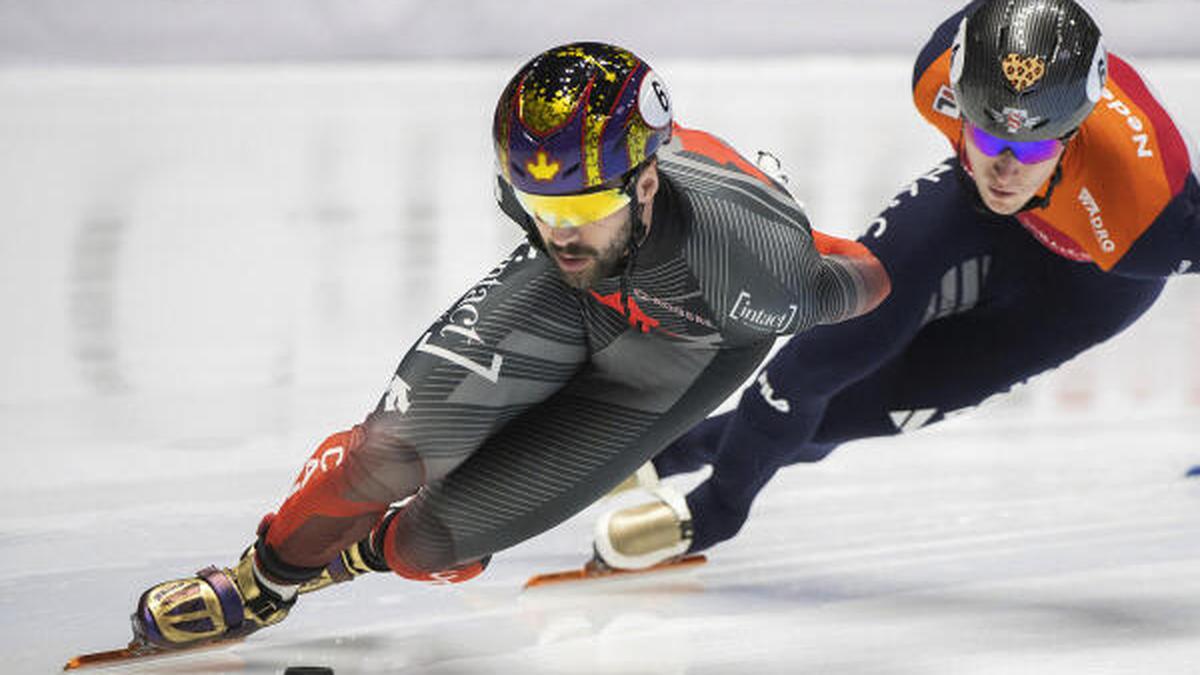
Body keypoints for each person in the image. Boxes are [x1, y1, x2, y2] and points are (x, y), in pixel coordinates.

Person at [130, 42, 890, 650]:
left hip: (678, 357)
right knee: (386, 453)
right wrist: (577, 219)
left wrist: (793, 235)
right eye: (540, 206)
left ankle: (355, 559)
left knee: (425, 545)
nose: (560, 231)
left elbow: (868, 278)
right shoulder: (549, 214)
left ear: (647, 181)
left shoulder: (750, 266)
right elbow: (560, 226)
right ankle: (261, 580)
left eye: (586, 206)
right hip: (573, 301)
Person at [591, 0, 1200, 571]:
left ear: (1075, 131)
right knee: (801, 374)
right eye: (987, 135)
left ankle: (683, 468)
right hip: (969, 214)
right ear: (958, 102)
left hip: (1086, 292)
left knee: (842, 419)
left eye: (1033, 146)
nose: (1007, 167)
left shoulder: (1154, 222)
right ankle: (716, 506)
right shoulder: (937, 74)